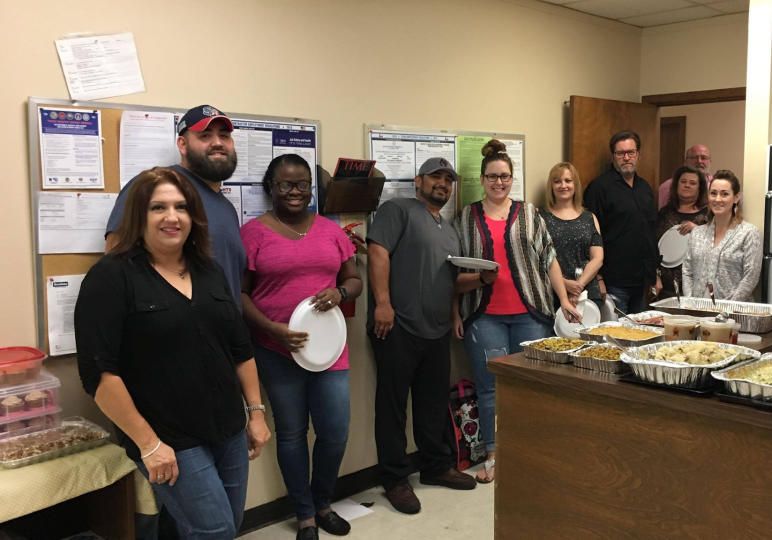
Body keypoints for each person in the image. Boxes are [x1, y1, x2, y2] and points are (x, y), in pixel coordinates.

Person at [75, 167, 271, 539]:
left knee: (228, 525)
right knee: (213, 531)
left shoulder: (208, 270)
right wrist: (148, 445)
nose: (171, 217)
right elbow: (98, 374)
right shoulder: (111, 277)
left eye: (181, 207)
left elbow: (239, 347)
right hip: (168, 437)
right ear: (138, 215)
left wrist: (256, 413)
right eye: (157, 207)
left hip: (228, 428)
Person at [240, 155, 362, 539]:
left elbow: (354, 279)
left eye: (302, 184)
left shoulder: (330, 231)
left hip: (328, 349)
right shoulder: (253, 234)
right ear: (270, 188)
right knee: (291, 434)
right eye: (285, 185)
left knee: (335, 431)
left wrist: (341, 292)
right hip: (276, 350)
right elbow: (239, 295)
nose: (295, 192)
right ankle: (305, 514)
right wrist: (271, 330)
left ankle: (324, 503)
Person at [457, 140, 580, 484]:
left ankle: (532, 449)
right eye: (493, 177)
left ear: (513, 179)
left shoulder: (528, 213)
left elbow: (549, 259)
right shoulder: (467, 217)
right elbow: (453, 271)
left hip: (530, 314)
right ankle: (495, 454)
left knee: (531, 384)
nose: (499, 182)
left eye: (505, 177)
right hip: (484, 318)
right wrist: (455, 312)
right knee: (490, 387)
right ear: (482, 179)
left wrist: (564, 301)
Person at [367, 157, 477, 516]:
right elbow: (377, 253)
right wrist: (382, 303)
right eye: (436, 177)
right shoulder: (397, 210)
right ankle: (396, 478)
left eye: (448, 179)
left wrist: (482, 279)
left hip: (436, 331)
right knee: (393, 406)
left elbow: (451, 281)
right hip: (397, 326)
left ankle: (434, 465)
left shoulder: (450, 229)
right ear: (419, 180)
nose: (442, 184)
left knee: (431, 403)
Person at [106, 104, 245, 306]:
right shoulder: (153, 187)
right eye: (205, 136)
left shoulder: (227, 208)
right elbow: (114, 265)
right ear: (182, 144)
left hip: (224, 332)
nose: (217, 143)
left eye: (224, 136)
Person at [583, 130, 662, 313]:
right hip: (614, 282)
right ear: (613, 156)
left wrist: (655, 274)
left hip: (642, 282)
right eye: (620, 153)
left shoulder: (645, 188)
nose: (626, 158)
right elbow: (590, 236)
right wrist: (598, 279)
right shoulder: (599, 188)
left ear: (638, 154)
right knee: (617, 338)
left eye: (631, 152)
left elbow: (650, 234)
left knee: (640, 334)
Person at [682, 170, 761, 302]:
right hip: (698, 313)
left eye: (724, 194)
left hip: (733, 315)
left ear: (736, 197)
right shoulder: (697, 233)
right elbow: (687, 271)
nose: (718, 199)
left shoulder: (749, 233)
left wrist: (727, 308)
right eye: (713, 193)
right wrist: (691, 302)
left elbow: (751, 277)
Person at [539, 162, 604, 308]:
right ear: (551, 186)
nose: (563, 185)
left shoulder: (589, 217)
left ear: (575, 185)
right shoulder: (540, 217)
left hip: (587, 294)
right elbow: (537, 260)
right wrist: (564, 284)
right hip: (552, 294)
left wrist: (579, 285)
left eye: (568, 180)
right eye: (557, 181)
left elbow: (598, 258)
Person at [656, 166, 709, 300]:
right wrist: (655, 276)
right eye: (683, 181)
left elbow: (716, 246)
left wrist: (697, 229)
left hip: (697, 286)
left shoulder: (708, 215)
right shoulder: (664, 213)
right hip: (665, 286)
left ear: (700, 188)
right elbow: (653, 247)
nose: (687, 185)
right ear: (676, 185)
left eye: (692, 183)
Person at [658, 144, 712, 210]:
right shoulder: (667, 186)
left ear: (710, 161)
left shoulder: (715, 185)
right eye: (694, 157)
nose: (699, 161)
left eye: (703, 158)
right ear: (686, 161)